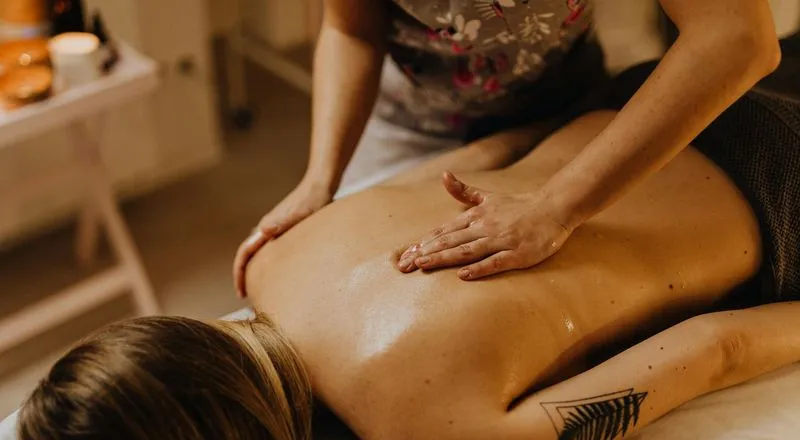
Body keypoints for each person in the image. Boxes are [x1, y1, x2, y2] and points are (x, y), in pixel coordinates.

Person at [18, 55, 800, 440]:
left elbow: (716, 346)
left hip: (781, 190)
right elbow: (486, 156)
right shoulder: (273, 257)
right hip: (639, 108)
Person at [233, 0, 782, 296]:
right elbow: (352, 29)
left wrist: (559, 206)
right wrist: (318, 179)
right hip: (407, 122)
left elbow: (736, 37)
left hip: (562, 109)